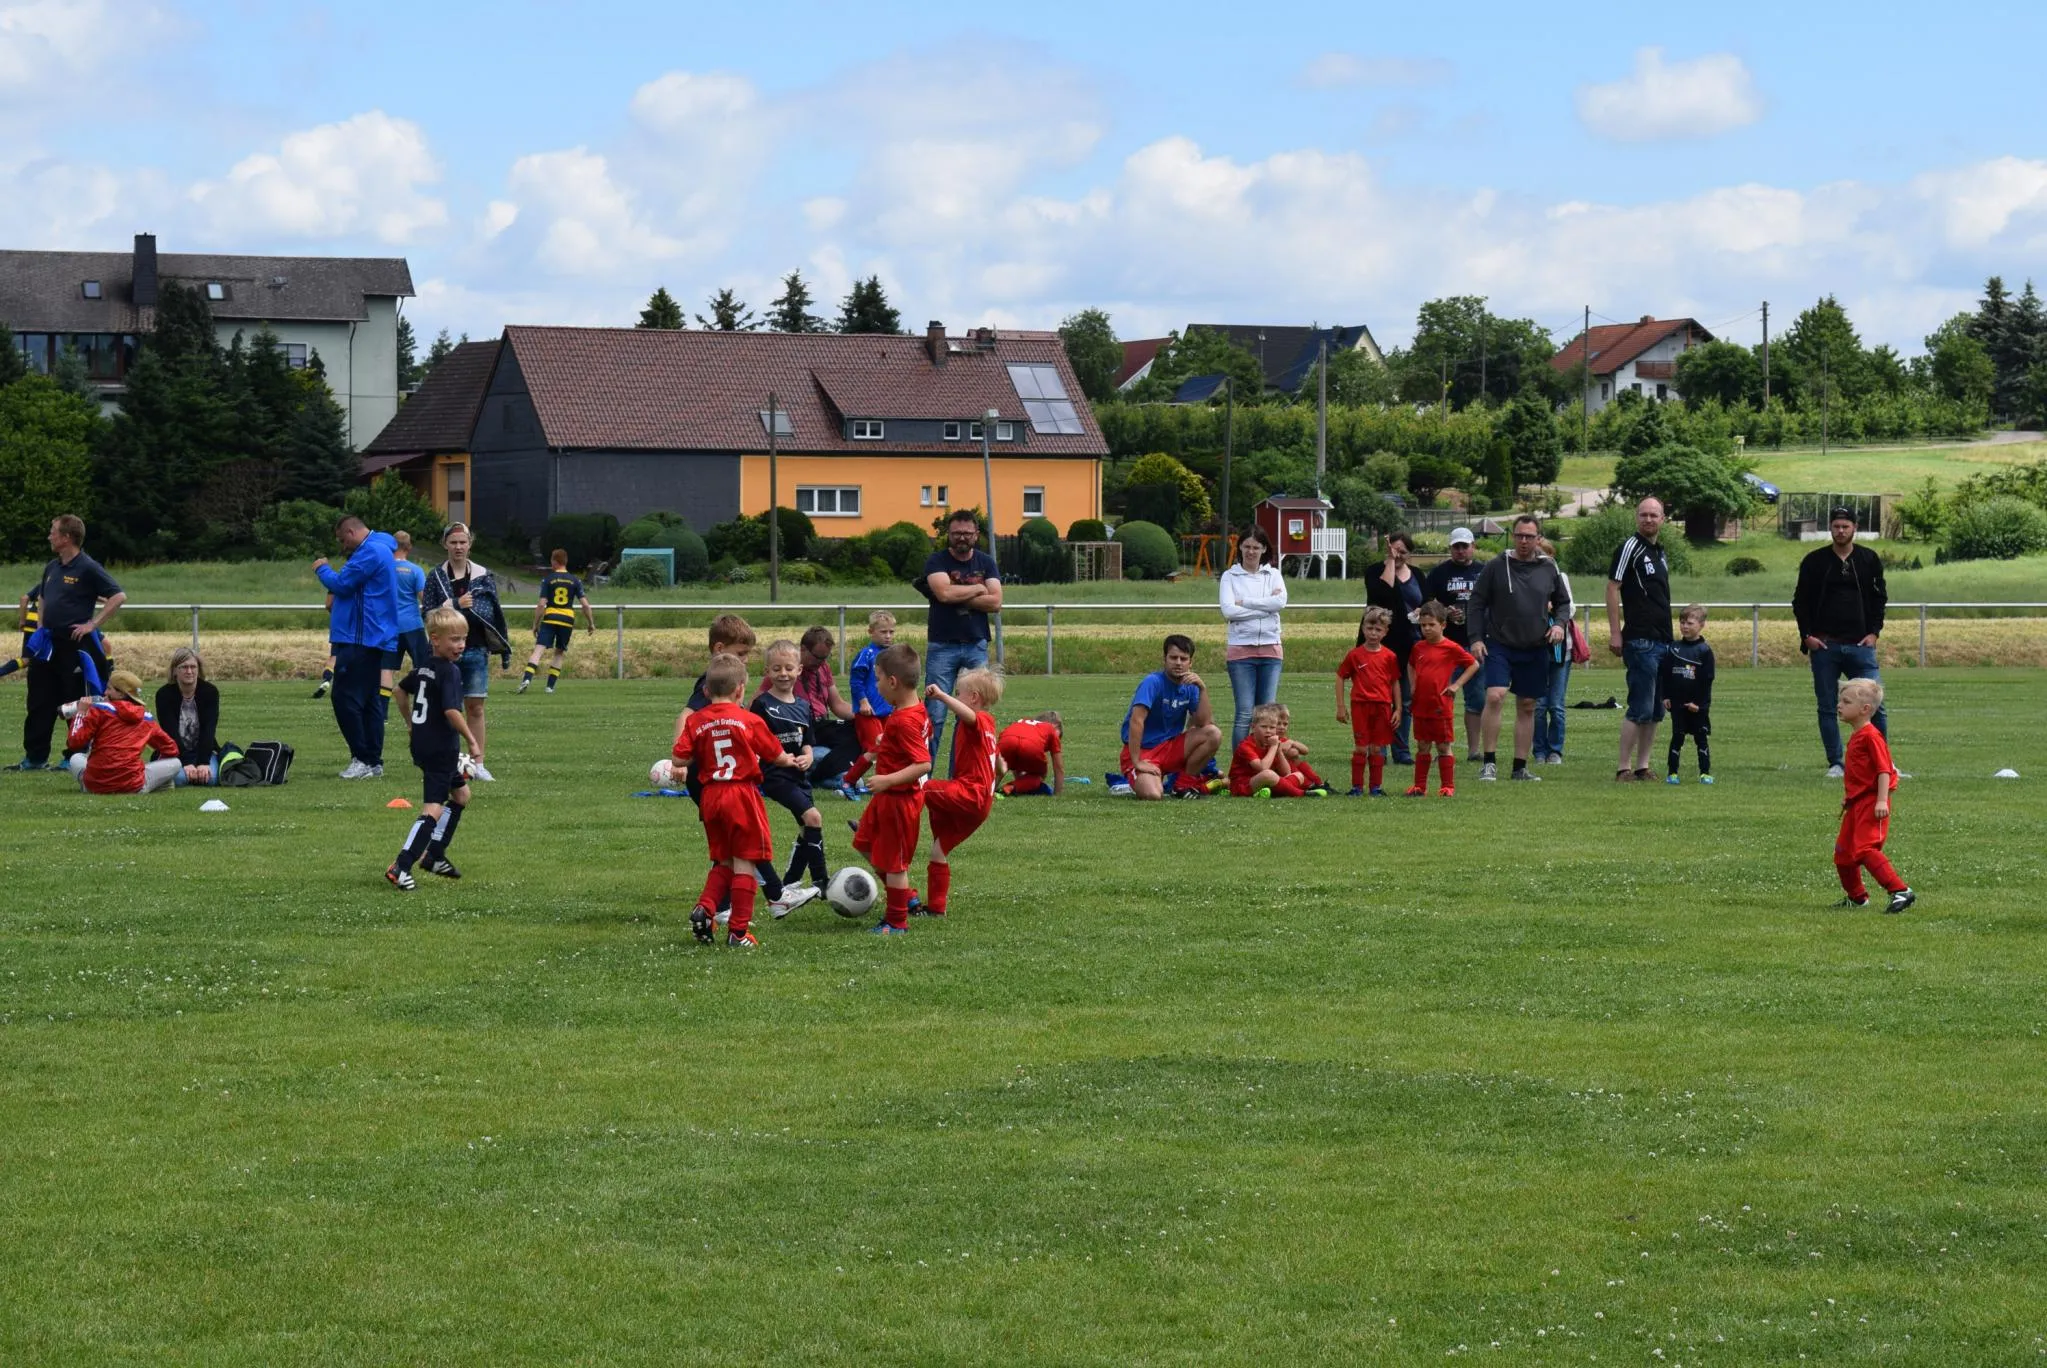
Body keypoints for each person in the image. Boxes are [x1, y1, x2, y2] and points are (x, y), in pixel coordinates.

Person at [676, 653, 799, 946]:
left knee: (724, 860)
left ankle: (705, 908)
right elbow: (775, 755)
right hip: (740, 794)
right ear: (740, 689)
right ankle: (738, 931)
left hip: (710, 796)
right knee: (746, 861)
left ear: (706, 691)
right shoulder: (749, 720)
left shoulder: (696, 721)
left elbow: (679, 758)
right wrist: (789, 760)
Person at [1468, 515, 1572, 782]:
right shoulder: (1496, 566)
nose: (1524, 541)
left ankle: (1519, 767)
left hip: (1535, 645)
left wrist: (1560, 625)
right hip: (1499, 643)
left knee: (1527, 705)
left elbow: (1563, 602)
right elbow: (1476, 602)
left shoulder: (1548, 567)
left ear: (1539, 539)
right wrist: (1476, 638)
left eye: (1529, 536)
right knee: (1495, 696)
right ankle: (1489, 763)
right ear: (1513, 536)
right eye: (1519, 535)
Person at [16, 515, 123, 772]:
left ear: (66, 537)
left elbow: (118, 596)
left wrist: (92, 625)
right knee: (39, 699)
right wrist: (41, 627)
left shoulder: (88, 567)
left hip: (73, 645)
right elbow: (42, 597)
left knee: (73, 700)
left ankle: (73, 756)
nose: (49, 536)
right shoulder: (52, 567)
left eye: (53, 532)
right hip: (47, 645)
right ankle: (35, 758)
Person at [387, 607, 483, 890]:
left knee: (461, 795)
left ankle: (435, 855)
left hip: (423, 744)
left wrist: (410, 723)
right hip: (441, 748)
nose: (461, 645)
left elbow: (399, 690)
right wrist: (472, 740)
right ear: (435, 639)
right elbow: (452, 711)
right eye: (454, 639)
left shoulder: (424, 667)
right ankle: (402, 865)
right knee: (433, 808)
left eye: (463, 638)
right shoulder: (449, 671)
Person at [1793, 506, 1889, 778]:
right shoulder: (1815, 561)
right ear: (1830, 528)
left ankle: (1881, 763)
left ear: (1854, 528)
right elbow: (1800, 601)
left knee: (1876, 704)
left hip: (1861, 646)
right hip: (1826, 646)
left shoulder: (1868, 559)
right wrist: (1807, 636)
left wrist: (1874, 632)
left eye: (1845, 526)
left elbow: (1879, 598)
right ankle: (1836, 762)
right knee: (1828, 706)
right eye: (1836, 526)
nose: (1840, 531)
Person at [851, 642, 933, 935]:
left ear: (893, 681)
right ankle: (906, 895)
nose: (876, 685)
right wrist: (886, 743)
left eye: (878, 679)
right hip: (887, 799)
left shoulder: (904, 720)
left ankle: (896, 921)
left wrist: (887, 779)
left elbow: (923, 764)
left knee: (895, 863)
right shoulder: (913, 710)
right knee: (863, 843)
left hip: (900, 800)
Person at [422, 523, 512, 782]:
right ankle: (444, 760)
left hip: (475, 649)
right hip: (442, 654)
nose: (458, 547)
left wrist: (454, 609)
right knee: (444, 709)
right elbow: (428, 613)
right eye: (453, 543)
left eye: (463, 542)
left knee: (475, 707)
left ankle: (478, 762)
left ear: (470, 544)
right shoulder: (436, 576)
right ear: (445, 545)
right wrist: (455, 604)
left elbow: (488, 611)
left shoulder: (483, 575)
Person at [314, 514, 401, 780]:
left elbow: (342, 585)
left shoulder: (370, 552)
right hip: (370, 637)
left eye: (343, 540)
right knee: (369, 700)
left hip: (361, 638)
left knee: (345, 698)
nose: (343, 546)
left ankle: (361, 758)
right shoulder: (379, 548)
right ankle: (373, 761)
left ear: (351, 532)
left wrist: (322, 568)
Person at [751, 639, 827, 917]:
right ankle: (821, 882)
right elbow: (755, 743)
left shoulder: (804, 706)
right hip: (776, 776)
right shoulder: (762, 705)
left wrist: (808, 756)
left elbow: (807, 742)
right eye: (776, 669)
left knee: (808, 829)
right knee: (813, 818)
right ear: (767, 671)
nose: (783, 674)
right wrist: (775, 758)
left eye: (788, 668)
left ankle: (791, 882)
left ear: (799, 670)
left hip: (799, 775)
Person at [921, 668, 1004, 917]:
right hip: (981, 804)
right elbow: (1000, 765)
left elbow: (969, 716)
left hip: (970, 793)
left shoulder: (978, 719)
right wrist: (997, 776)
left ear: (974, 697)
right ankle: (936, 908)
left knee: (920, 787)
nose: (956, 697)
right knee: (939, 849)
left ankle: (880, 828)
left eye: (959, 693)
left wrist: (942, 696)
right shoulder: (990, 725)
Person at [921, 508, 1002, 754]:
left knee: (971, 716)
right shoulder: (936, 561)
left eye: (967, 533)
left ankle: (963, 774)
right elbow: (944, 593)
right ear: (949, 534)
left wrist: (957, 594)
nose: (962, 538)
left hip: (976, 644)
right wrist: (978, 589)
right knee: (934, 715)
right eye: (957, 533)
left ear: (976, 534)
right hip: (942, 645)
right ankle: (924, 773)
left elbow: (996, 602)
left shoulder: (986, 562)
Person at [1606, 496, 1674, 782]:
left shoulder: (1660, 552)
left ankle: (1643, 766)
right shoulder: (1630, 547)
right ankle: (1623, 767)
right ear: (1636, 517)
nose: (1648, 519)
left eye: (1654, 515)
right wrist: (1615, 632)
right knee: (1640, 706)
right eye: (1644, 514)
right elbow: (1613, 587)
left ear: (1662, 519)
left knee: (1657, 709)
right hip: (1640, 639)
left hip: (1663, 640)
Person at [1832, 678, 1913, 914]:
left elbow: (1884, 770)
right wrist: (1849, 797)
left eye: (1846, 702)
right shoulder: (1857, 735)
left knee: (1865, 849)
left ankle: (1900, 891)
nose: (1839, 705)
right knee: (1843, 854)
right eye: (1840, 700)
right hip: (1856, 803)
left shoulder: (1871, 736)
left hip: (1872, 802)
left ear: (1865, 709)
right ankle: (1857, 897)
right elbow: (1861, 774)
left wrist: (1881, 800)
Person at [1118, 634, 1225, 801]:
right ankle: (1139, 776)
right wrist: (1137, 761)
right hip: (1145, 750)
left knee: (1214, 733)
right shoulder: (1152, 682)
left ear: (1190, 662)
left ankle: (1182, 784)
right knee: (1153, 794)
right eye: (1173, 658)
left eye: (1183, 659)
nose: (1178, 663)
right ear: (1164, 659)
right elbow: (1136, 720)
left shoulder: (1191, 686)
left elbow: (1204, 722)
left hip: (1170, 747)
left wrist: (1202, 689)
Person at [1421, 527, 1488, 761]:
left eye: (1464, 546)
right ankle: (1441, 748)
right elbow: (1427, 604)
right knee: (1440, 699)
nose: (1460, 551)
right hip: (1446, 645)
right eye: (1456, 547)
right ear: (1451, 548)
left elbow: (1494, 602)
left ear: (1473, 547)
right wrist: (1444, 612)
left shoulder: (1483, 571)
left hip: (1475, 643)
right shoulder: (1438, 573)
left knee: (1476, 699)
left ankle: (1474, 750)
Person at [1218, 526, 1287, 751]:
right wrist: (1266, 608)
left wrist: (1246, 602)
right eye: (1246, 546)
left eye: (1256, 547)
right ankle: (1241, 763)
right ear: (1239, 547)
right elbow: (1229, 611)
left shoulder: (1273, 575)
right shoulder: (1229, 576)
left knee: (1267, 714)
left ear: (1264, 549)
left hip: (1271, 650)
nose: (1251, 551)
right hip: (1240, 651)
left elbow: (1280, 603)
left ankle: (1264, 761)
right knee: (1245, 713)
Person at [64, 669, 182, 794]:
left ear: (121, 694)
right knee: (176, 763)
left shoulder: (99, 710)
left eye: (109, 689)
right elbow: (171, 749)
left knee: (75, 758)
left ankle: (90, 783)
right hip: (133, 786)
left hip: (95, 786)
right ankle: (158, 783)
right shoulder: (146, 718)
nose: (105, 692)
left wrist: (81, 713)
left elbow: (74, 742)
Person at [1405, 600, 1480, 797]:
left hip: (1441, 705)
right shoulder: (1418, 647)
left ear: (1443, 625)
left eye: (1431, 625)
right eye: (1423, 625)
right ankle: (1419, 786)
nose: (1427, 629)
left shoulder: (1451, 648)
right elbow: (1411, 665)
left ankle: (1447, 787)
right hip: (1421, 704)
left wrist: (1456, 685)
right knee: (1422, 745)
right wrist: (1413, 684)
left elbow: (1473, 664)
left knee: (1443, 746)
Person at [1363, 531, 1424, 764]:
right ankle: (1379, 750)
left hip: (1410, 645)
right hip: (1379, 645)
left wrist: (1422, 611)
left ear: (1410, 554)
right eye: (1393, 550)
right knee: (1379, 701)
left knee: (1405, 701)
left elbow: (1428, 600)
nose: (1398, 555)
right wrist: (1389, 561)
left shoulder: (1418, 574)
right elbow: (1383, 594)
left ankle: (1402, 751)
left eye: (1402, 552)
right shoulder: (1374, 571)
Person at [1336, 606, 1403, 796]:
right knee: (1361, 747)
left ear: (1385, 631)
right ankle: (1356, 787)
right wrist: (1341, 706)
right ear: (1363, 628)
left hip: (1382, 707)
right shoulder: (1355, 655)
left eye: (1378, 630)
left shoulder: (1390, 656)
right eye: (1369, 628)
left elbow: (1394, 682)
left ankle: (1376, 787)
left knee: (1376, 748)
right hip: (1360, 706)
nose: (1373, 633)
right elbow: (1340, 676)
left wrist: (1398, 709)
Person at [520, 548, 597, 694]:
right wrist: (591, 623)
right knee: (559, 652)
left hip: (550, 617)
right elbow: (585, 605)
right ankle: (549, 687)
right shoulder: (575, 580)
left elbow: (541, 604)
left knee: (539, 649)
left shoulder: (548, 580)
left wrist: (535, 624)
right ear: (565, 561)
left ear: (554, 561)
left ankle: (527, 679)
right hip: (567, 619)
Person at [840, 611, 896, 793]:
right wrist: (863, 702)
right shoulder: (866, 654)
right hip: (868, 712)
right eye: (883, 632)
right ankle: (848, 781)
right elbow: (855, 682)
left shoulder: (892, 655)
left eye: (891, 632)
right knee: (875, 748)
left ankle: (882, 784)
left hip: (887, 711)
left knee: (890, 748)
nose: (888, 636)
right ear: (871, 632)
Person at [1531, 537, 1575, 766]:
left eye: (1544, 555)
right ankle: (1539, 750)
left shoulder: (1561, 578)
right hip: (1536, 648)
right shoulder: (1528, 577)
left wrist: (1554, 609)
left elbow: (1570, 608)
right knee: (1539, 706)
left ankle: (1555, 750)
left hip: (1560, 650)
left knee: (1556, 705)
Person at [796, 626, 858, 788]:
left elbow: (838, 705)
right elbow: (757, 703)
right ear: (803, 649)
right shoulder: (787, 669)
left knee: (859, 729)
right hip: (801, 729)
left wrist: (864, 714)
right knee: (854, 780)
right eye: (817, 657)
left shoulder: (823, 668)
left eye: (825, 658)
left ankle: (816, 775)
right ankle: (836, 773)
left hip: (821, 725)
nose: (821, 662)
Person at [1662, 604, 1716, 785]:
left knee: (1701, 738)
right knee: (1677, 737)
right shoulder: (1673, 648)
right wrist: (1665, 696)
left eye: (1690, 623)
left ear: (1701, 625)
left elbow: (1707, 680)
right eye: (1682, 622)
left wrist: (1699, 704)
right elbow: (1665, 674)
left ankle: (1705, 773)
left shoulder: (1704, 651)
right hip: (1677, 703)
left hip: (1696, 705)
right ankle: (1672, 773)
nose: (1685, 626)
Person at [155, 647, 221, 782]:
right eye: (184, 667)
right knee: (180, 778)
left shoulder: (210, 692)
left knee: (211, 778)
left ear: (198, 669)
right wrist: (185, 762)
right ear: (175, 671)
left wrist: (203, 762)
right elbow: (170, 732)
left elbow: (209, 729)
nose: (189, 671)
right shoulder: (164, 695)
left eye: (193, 667)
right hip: (174, 751)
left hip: (202, 750)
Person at [1229, 702, 1315, 797]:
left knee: (1299, 775)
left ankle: (1271, 791)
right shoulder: (1246, 745)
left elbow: (1286, 772)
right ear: (1253, 727)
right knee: (1268, 774)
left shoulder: (1271, 743)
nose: (1268, 731)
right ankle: (1301, 793)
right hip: (1242, 785)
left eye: (1272, 727)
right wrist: (1273, 747)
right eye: (1264, 727)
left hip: (1265, 782)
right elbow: (1263, 768)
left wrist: (1279, 751)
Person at [997, 711, 1064, 795]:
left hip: (1006, 740)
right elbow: (1058, 767)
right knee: (1040, 775)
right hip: (1031, 746)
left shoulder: (1022, 722)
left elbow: (1014, 751)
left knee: (998, 770)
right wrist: (1057, 794)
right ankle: (1009, 788)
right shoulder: (1050, 729)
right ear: (1055, 726)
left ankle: (988, 791)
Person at [391, 531, 430, 671]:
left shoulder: (384, 569)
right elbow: (424, 598)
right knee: (423, 666)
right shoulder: (415, 570)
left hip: (389, 625)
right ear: (409, 547)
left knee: (386, 669)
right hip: (412, 624)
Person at [1274, 705, 1328, 792]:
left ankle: (1318, 783)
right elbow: (1284, 749)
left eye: (1285, 724)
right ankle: (1309, 785)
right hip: (1279, 773)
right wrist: (1292, 750)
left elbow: (1306, 750)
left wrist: (1292, 742)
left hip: (1287, 773)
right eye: (1278, 724)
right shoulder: (1271, 740)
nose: (1282, 727)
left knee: (1295, 757)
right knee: (1292, 756)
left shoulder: (1284, 739)